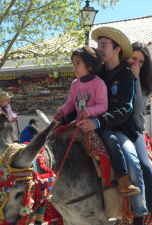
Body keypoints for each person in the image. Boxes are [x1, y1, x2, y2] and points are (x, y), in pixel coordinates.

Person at [78, 27, 148, 224]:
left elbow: (126, 109)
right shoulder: (95, 74)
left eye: (104, 45)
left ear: (117, 50)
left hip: (120, 129)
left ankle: (139, 214)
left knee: (133, 163)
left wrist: (98, 121)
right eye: (98, 45)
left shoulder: (125, 75)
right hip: (93, 125)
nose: (99, 48)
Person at [54, 45, 107, 122]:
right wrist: (62, 111)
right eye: (73, 64)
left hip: (95, 125)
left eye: (78, 63)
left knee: (109, 135)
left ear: (90, 66)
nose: (74, 67)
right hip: (79, 124)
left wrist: (88, 112)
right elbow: (70, 103)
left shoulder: (98, 83)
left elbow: (103, 106)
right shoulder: (75, 84)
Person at [128, 41, 152, 212]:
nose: (136, 63)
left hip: (133, 130)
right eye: (133, 58)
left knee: (145, 167)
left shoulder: (143, 83)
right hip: (110, 126)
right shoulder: (116, 73)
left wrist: (136, 79)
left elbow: (137, 109)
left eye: (141, 61)